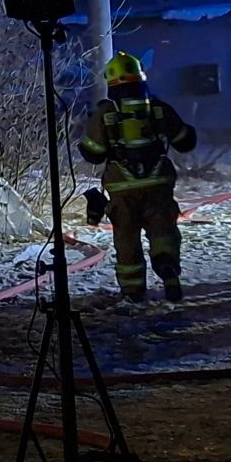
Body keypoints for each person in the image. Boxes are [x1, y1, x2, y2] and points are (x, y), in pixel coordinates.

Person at [78, 52, 198, 303]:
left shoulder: (106, 113)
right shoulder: (158, 108)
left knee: (127, 238)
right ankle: (168, 271)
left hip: (122, 188)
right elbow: (185, 141)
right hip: (158, 184)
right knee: (163, 231)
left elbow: (94, 154)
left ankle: (133, 291)